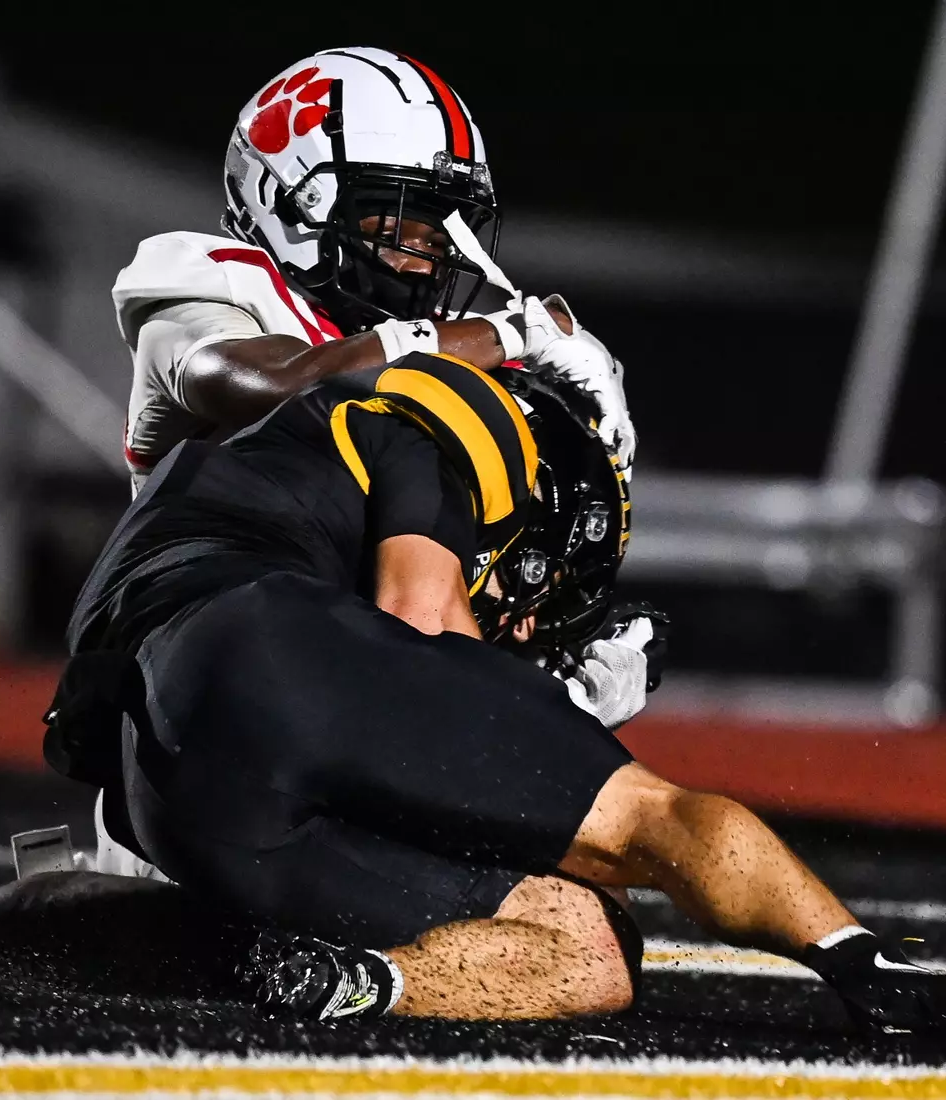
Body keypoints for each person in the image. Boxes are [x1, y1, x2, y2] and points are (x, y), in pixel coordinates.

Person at [0, 357, 946, 1040]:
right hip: (263, 656)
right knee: (635, 835)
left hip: (155, 757)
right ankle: (865, 969)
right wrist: (860, 963)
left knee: (578, 944)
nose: (524, 604)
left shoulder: (244, 469)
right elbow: (423, 618)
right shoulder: (420, 427)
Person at [99, 45, 646, 879]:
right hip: (199, 726)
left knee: (580, 909)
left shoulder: (432, 364)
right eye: (399, 225)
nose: (427, 259)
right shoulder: (211, 291)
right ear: (293, 200)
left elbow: (443, 590)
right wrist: (513, 335)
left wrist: (558, 673)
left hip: (350, 719)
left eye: (442, 231)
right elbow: (273, 382)